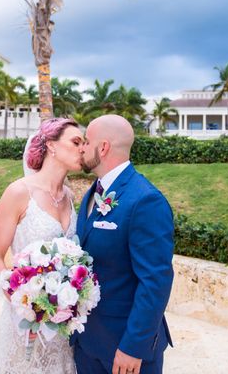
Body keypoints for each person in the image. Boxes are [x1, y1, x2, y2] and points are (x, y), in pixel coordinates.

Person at [72, 115, 174, 374]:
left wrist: (133, 347)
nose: (81, 147)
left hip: (124, 350)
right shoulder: (92, 192)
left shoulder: (145, 200)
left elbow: (155, 281)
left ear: (103, 147)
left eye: (86, 141)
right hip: (87, 343)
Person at [0, 118, 83, 374]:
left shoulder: (71, 197)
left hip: (61, 323)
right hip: (26, 318)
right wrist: (25, 302)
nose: (82, 148)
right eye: (75, 142)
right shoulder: (18, 192)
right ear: (51, 145)